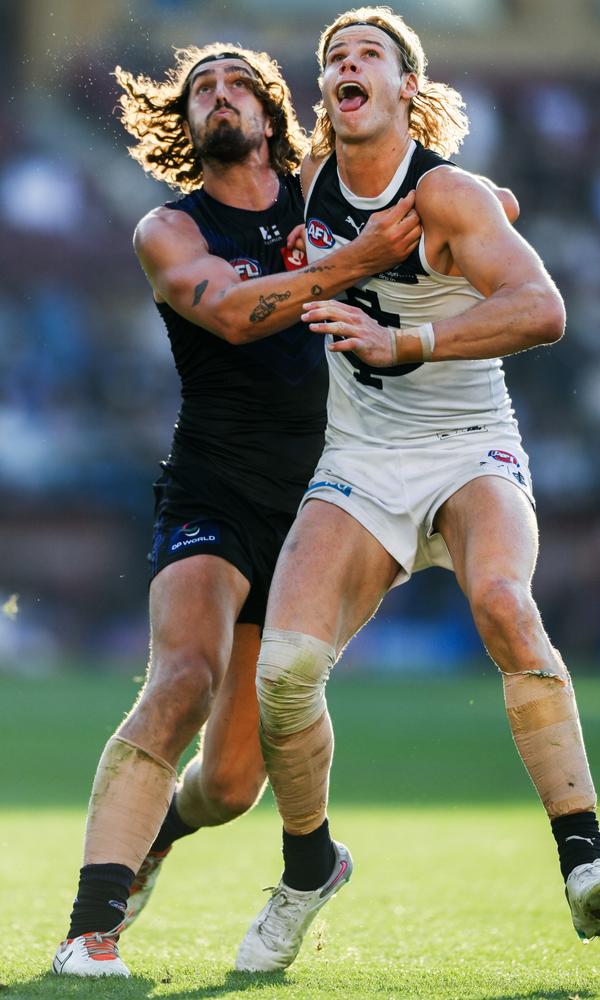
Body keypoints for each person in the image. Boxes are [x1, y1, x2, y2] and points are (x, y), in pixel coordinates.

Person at [234, 6, 600, 973]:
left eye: (368, 53)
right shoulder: (296, 192)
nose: (346, 64)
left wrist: (408, 338)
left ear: (407, 88)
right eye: (334, 56)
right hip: (359, 460)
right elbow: (243, 283)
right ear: (326, 92)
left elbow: (542, 309)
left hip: (468, 445)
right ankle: (306, 872)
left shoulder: (449, 195)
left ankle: (584, 861)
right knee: (283, 673)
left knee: (503, 603)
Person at [51, 39, 424, 979]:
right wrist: (350, 270)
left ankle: (185, 834)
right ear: (186, 125)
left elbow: (440, 198)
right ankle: (89, 932)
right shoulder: (168, 230)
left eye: (237, 85)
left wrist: (478, 207)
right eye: (200, 91)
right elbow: (228, 311)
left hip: (321, 498)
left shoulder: (326, 197)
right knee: (180, 677)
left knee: (228, 782)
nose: (219, 97)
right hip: (212, 485)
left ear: (270, 114)